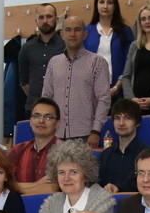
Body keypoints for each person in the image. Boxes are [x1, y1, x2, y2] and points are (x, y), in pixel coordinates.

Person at [17, 141, 117, 213]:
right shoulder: (52, 203)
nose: (66, 178)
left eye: (73, 172)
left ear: (85, 175)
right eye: (61, 172)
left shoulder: (102, 203)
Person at [44, 14, 111, 148]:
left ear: (85, 34)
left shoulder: (97, 62)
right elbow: (46, 98)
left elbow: (104, 99)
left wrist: (96, 131)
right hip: (56, 134)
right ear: (62, 34)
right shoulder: (53, 62)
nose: (72, 34)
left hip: (86, 135)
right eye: (68, 30)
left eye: (77, 30)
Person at [119, 3, 150, 112]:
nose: (147, 22)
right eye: (143, 19)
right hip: (135, 105)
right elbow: (126, 76)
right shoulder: (134, 46)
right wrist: (131, 99)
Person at [16, 3, 63, 118]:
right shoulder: (27, 48)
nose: (45, 21)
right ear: (36, 21)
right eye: (41, 17)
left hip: (60, 108)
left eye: (49, 16)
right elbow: (24, 82)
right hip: (33, 108)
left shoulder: (65, 46)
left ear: (56, 19)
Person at [8, 98, 64, 193]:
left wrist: (17, 188)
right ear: (30, 121)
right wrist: (37, 184)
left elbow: (52, 189)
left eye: (48, 117)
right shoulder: (17, 150)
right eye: (36, 116)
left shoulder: (65, 151)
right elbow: (3, 184)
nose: (41, 121)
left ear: (57, 124)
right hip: (19, 203)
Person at [85, 0, 133, 96]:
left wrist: (116, 88)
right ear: (96, 5)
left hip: (119, 91)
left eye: (109, 2)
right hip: (91, 92)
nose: (105, 6)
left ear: (115, 6)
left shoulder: (125, 31)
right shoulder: (86, 31)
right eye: (102, 2)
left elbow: (129, 63)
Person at [97, 98, 148, 193]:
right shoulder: (105, 155)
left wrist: (119, 188)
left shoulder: (146, 154)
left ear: (137, 123)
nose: (121, 123)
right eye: (117, 118)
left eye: (127, 118)